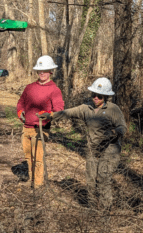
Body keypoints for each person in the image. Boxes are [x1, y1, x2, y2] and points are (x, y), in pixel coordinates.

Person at [38, 77, 127, 209]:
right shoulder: (86, 108)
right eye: (94, 95)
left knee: (103, 178)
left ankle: (105, 210)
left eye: (99, 96)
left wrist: (113, 133)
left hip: (110, 149)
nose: (96, 98)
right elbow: (68, 112)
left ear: (106, 97)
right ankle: (92, 208)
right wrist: (51, 116)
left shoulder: (114, 109)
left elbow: (123, 128)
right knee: (91, 180)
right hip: (92, 149)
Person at [16, 55, 64, 188]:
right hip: (26, 128)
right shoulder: (29, 87)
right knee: (28, 157)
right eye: (40, 70)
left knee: (38, 159)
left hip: (41, 129)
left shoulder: (54, 90)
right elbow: (21, 102)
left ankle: (37, 185)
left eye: (45, 70)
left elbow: (59, 109)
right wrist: (20, 112)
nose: (42, 73)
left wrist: (48, 115)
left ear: (51, 72)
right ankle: (32, 180)